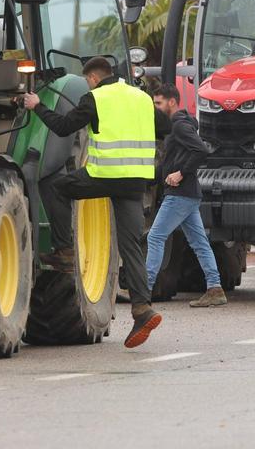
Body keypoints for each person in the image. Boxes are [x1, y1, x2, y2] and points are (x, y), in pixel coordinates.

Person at [22, 56, 170, 348]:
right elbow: (165, 128)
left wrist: (36, 105)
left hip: (103, 176)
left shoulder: (95, 98)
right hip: (135, 181)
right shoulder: (141, 98)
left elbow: (64, 127)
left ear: (92, 78)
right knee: (131, 247)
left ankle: (65, 249)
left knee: (57, 186)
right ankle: (142, 308)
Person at [145, 85, 226, 308]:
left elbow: (201, 150)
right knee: (199, 242)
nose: (156, 108)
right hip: (188, 194)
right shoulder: (176, 127)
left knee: (155, 237)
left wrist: (180, 173)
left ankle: (145, 290)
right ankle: (215, 288)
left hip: (180, 194)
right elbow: (169, 162)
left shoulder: (180, 126)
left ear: (172, 102)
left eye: (158, 103)